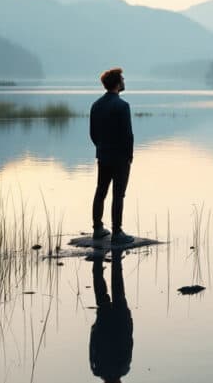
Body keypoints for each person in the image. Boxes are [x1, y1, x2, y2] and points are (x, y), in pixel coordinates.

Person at [89, 67, 135, 244]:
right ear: (117, 83)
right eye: (122, 79)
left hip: (103, 155)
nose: (124, 81)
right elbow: (127, 134)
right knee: (118, 194)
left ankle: (98, 229)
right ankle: (117, 232)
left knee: (100, 191)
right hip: (120, 158)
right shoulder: (122, 106)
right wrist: (129, 155)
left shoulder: (96, 105)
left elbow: (93, 134)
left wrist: (101, 148)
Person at [89, 250, 133, 382]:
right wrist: (94, 328)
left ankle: (116, 256)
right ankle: (98, 260)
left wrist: (128, 320)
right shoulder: (97, 369)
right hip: (104, 325)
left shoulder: (123, 368)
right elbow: (93, 345)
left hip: (119, 321)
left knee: (117, 285)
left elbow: (129, 342)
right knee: (102, 294)